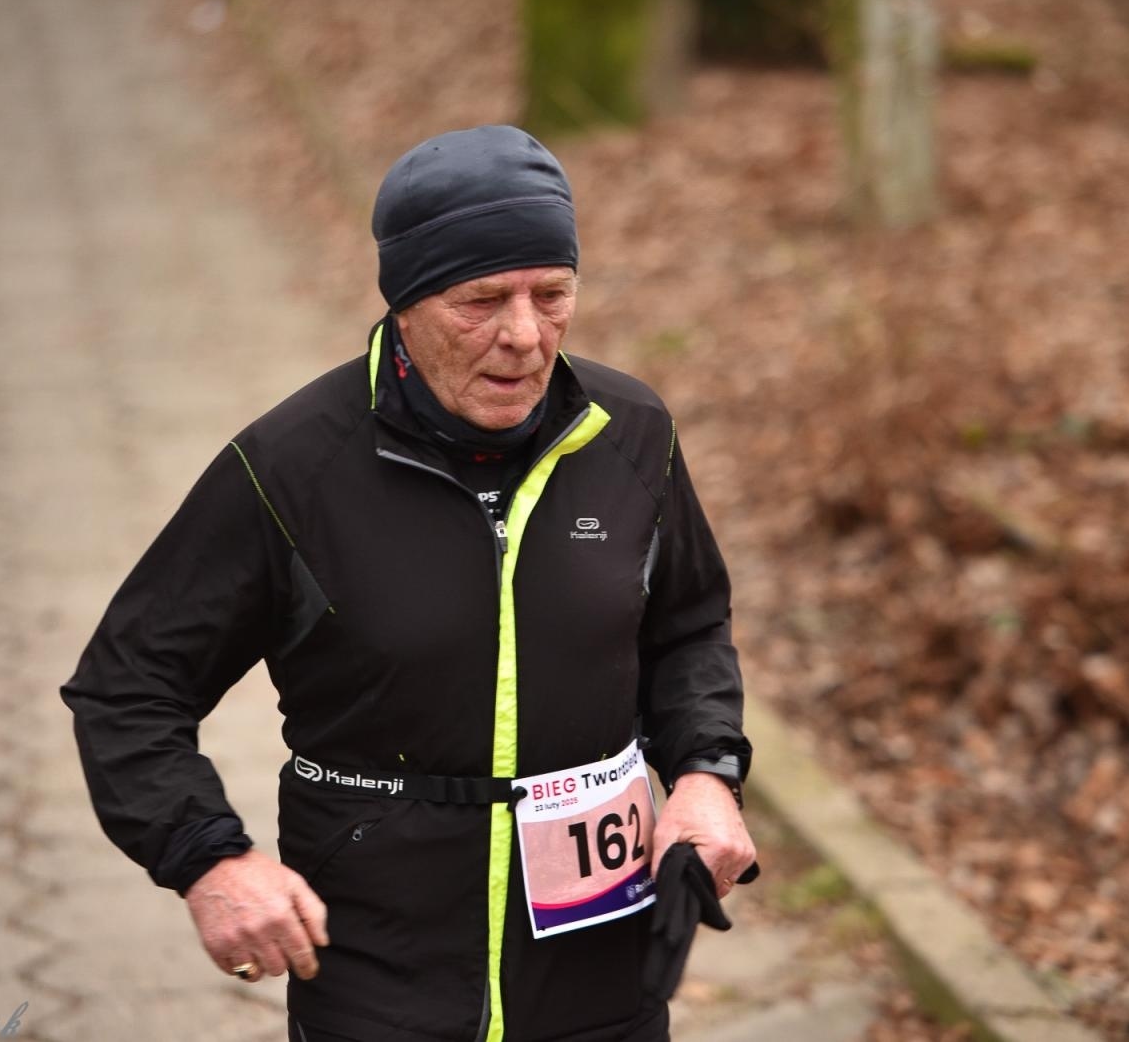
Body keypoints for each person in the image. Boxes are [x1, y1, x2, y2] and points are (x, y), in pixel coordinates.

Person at [60, 124, 756, 1042]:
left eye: (551, 295)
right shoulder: (292, 469)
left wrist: (708, 772)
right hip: (383, 973)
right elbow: (129, 686)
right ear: (404, 303)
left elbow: (687, 628)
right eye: (480, 301)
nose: (522, 336)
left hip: (606, 959)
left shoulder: (630, 435)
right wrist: (209, 861)